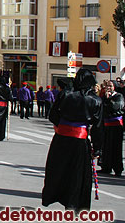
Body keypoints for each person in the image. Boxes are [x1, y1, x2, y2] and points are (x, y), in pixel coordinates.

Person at [42, 68, 103, 211]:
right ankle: (73, 203)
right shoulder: (95, 100)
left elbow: (53, 115)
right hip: (80, 141)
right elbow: (98, 127)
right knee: (77, 173)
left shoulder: (65, 94)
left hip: (61, 139)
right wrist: (98, 147)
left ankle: (54, 196)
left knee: (58, 170)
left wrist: (61, 126)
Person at [98, 80, 124, 177]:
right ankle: (106, 167)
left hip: (116, 125)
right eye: (107, 86)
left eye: (110, 86)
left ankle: (118, 168)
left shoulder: (119, 96)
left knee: (116, 147)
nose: (108, 88)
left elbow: (116, 107)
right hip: (106, 124)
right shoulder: (104, 97)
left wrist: (108, 100)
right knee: (106, 147)